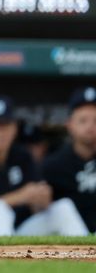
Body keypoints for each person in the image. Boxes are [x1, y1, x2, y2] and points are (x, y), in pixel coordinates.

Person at [0, 95, 89, 236]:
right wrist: (18, 197)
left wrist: (41, 199)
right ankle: (7, 259)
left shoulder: (22, 157)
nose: (2, 133)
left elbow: (37, 208)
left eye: (6, 125)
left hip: (15, 233)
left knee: (63, 208)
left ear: (14, 128)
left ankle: (89, 257)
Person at [43, 87, 96, 232]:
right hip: (68, 236)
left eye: (95, 121)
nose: (90, 127)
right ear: (70, 125)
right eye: (83, 120)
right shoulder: (53, 165)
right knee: (63, 208)